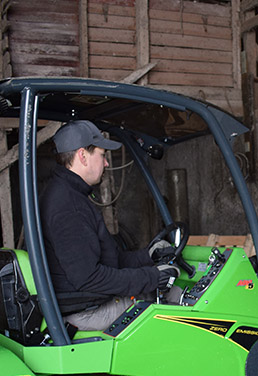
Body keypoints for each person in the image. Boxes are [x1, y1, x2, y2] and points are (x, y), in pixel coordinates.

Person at [40, 120, 178, 331]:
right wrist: (153, 276)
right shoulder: (68, 206)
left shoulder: (69, 194)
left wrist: (147, 256)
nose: (106, 163)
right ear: (82, 156)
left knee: (165, 292)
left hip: (86, 302)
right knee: (176, 304)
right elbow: (90, 279)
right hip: (87, 312)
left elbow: (108, 261)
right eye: (102, 155)